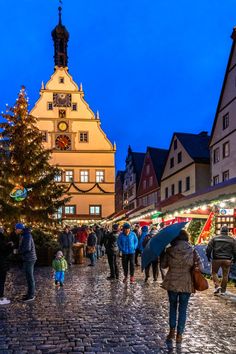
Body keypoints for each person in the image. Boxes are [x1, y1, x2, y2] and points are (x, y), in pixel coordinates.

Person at [161, 229, 202, 344]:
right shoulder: (192, 251)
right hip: (186, 283)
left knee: (173, 306)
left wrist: (163, 254)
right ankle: (180, 335)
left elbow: (163, 265)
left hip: (172, 283)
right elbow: (201, 267)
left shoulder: (169, 250)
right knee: (183, 309)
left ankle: (171, 331)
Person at [206, 225, 236, 295]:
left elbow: (208, 248)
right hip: (227, 260)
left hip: (217, 259)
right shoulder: (232, 240)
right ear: (228, 231)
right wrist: (234, 259)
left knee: (214, 272)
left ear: (220, 231)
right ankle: (223, 290)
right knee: (225, 275)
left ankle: (217, 286)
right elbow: (235, 251)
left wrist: (208, 256)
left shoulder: (214, 238)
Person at [16, 223, 37, 302]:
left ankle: (31, 295)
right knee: (28, 277)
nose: (15, 230)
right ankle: (29, 293)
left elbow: (27, 248)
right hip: (28, 258)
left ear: (20, 229)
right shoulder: (24, 235)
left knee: (30, 277)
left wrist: (18, 251)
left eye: (16, 229)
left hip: (30, 259)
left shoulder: (27, 235)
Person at [0, 228, 14, 305]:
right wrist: (10, 246)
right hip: (1, 264)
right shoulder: (2, 240)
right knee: (1, 281)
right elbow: (5, 252)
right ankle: (0, 298)